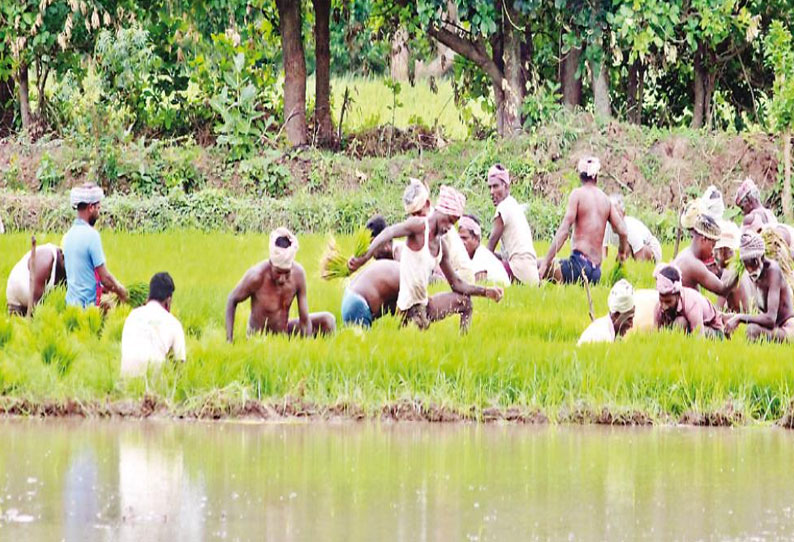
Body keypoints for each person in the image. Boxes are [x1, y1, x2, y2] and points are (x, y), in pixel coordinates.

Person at [349, 185, 503, 332]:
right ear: (439, 211)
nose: (449, 227)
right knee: (416, 333)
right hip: (408, 307)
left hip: (424, 304)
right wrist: (365, 257)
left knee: (466, 303)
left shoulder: (441, 244)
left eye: (453, 223)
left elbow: (456, 284)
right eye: (449, 220)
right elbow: (389, 232)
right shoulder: (419, 226)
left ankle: (464, 344)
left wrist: (486, 292)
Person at [225, 228, 336, 341]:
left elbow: (304, 319)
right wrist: (229, 340)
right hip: (260, 338)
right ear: (271, 264)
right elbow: (232, 299)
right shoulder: (256, 276)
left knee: (328, 320)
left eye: (287, 273)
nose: (282, 279)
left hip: (283, 332)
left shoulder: (298, 275)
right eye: (278, 272)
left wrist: (306, 347)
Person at [539, 156, 629, 284]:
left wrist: (545, 263)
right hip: (596, 273)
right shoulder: (605, 200)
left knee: (535, 264)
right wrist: (621, 253)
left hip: (578, 266)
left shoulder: (577, 195)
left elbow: (564, 231)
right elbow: (623, 231)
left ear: (580, 176)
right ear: (596, 176)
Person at [62, 183, 127, 308]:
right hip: (87, 308)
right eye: (98, 208)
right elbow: (105, 278)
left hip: (70, 306)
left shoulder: (68, 236)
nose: (99, 212)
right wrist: (121, 290)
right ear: (91, 208)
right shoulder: (92, 235)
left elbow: (82, 274)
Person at [724, 232, 794, 342]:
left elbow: (770, 319)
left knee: (752, 330)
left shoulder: (773, 272)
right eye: (746, 264)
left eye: (753, 262)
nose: (750, 269)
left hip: (786, 328)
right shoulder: (755, 275)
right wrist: (730, 317)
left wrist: (740, 318)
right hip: (774, 327)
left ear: (761, 257)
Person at [402, 178, 475, 283]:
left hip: (458, 274)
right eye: (412, 215)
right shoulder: (422, 225)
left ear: (427, 204)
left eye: (418, 213)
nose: (415, 218)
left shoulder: (438, 225)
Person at [120, 272, 186, 378]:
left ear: (149, 296)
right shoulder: (173, 323)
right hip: (153, 388)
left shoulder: (132, 316)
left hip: (126, 384)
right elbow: (179, 368)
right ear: (168, 301)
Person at [485, 164, 539, 285]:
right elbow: (503, 254)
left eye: (495, 186)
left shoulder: (502, 209)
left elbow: (489, 250)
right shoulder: (513, 204)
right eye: (490, 187)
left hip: (518, 270)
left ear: (506, 186)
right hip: (530, 273)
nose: (492, 192)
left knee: (479, 274)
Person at [673, 214, 740, 298]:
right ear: (703, 239)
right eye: (712, 245)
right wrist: (739, 268)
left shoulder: (686, 254)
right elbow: (722, 290)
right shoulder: (693, 264)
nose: (712, 252)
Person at [653, 264, 725, 338]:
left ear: (678, 295)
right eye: (661, 301)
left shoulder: (692, 303)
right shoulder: (658, 307)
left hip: (712, 330)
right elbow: (656, 335)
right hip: (687, 329)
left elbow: (699, 337)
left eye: (668, 302)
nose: (664, 306)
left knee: (680, 322)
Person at [6, 243, 66, 316]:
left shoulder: (58, 263)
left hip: (16, 287)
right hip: (24, 285)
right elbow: (34, 302)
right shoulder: (47, 257)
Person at [341, 260, 401, 327]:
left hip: (350, 297)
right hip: (358, 304)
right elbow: (404, 310)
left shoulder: (394, 267)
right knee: (362, 337)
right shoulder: (406, 280)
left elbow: (394, 308)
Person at [603, 194, 661, 262]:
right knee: (620, 257)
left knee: (626, 248)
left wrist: (637, 270)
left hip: (651, 249)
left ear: (624, 214)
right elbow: (603, 251)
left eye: (618, 214)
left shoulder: (630, 229)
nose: (615, 218)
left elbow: (640, 255)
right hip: (631, 250)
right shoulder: (606, 226)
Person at [577, 279, 635, 345]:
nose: (631, 325)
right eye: (629, 319)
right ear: (616, 315)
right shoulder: (602, 337)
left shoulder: (606, 329)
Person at [712, 220, 754, 313]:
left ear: (721, 251)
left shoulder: (728, 273)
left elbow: (717, 311)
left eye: (715, 251)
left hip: (740, 321)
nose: (713, 256)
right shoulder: (743, 266)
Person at [458, 215, 510, 286]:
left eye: (465, 238)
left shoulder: (481, 256)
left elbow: (476, 285)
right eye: (459, 238)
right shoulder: (472, 256)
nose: (461, 242)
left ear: (476, 238)